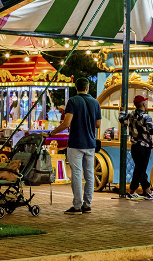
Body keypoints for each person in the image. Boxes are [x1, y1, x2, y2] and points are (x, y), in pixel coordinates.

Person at [50, 77, 102, 215]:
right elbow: (98, 125)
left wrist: (52, 132)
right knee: (89, 174)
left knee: (77, 174)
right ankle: (87, 204)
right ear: (87, 88)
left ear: (76, 88)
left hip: (75, 143)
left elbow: (66, 123)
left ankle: (77, 205)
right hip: (90, 144)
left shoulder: (72, 101)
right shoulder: (95, 103)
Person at [119, 95, 153, 200]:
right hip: (144, 147)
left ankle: (147, 190)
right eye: (145, 103)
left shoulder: (130, 115)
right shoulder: (146, 117)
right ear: (143, 105)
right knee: (140, 170)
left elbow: (121, 120)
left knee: (140, 169)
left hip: (134, 146)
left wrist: (122, 111)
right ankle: (132, 191)